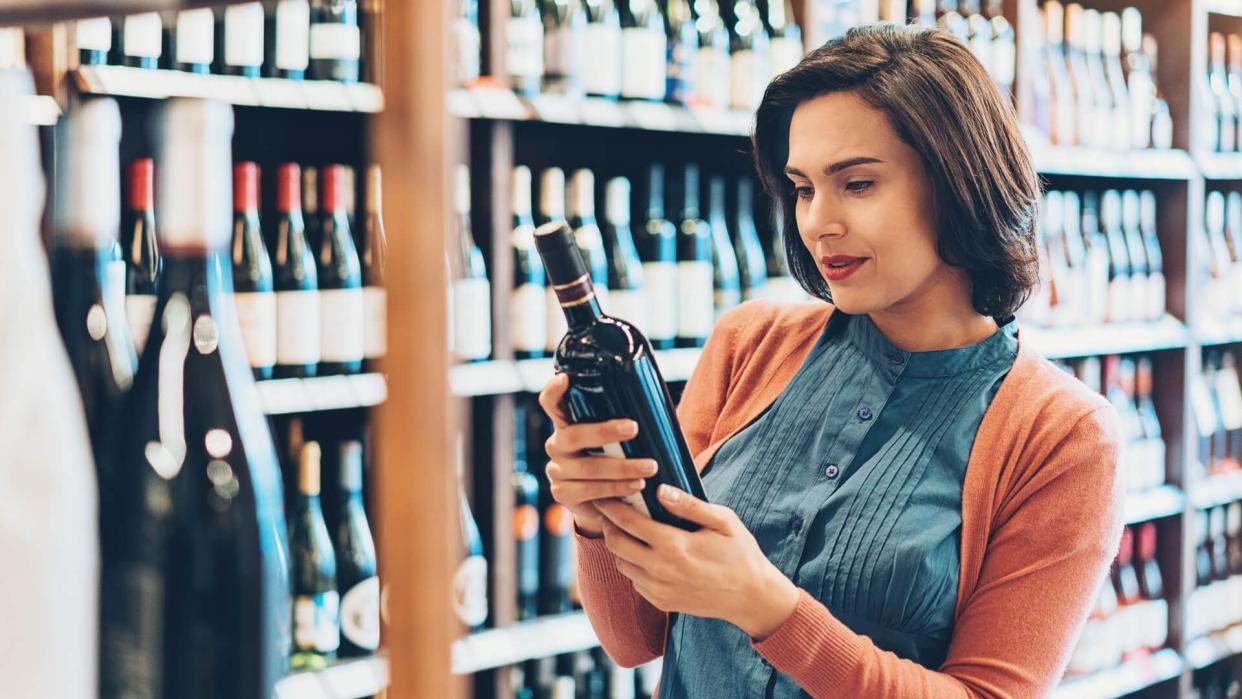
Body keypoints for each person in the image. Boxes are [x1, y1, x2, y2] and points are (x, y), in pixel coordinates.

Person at [538, 23, 1123, 698]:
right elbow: (634, 635)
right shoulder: (747, 345)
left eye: (858, 183)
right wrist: (597, 508)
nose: (818, 221)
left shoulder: (1064, 436)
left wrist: (770, 609)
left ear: (959, 182)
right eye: (803, 188)